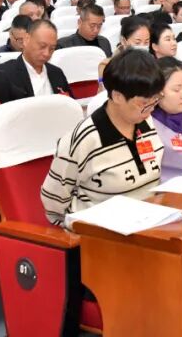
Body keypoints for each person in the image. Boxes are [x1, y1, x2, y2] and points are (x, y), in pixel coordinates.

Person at [41, 49, 165, 226]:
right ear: (117, 96)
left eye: (156, 100)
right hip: (102, 232)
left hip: (149, 222)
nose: (151, 109)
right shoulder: (85, 139)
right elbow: (54, 202)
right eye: (144, 103)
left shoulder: (146, 121)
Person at [0, 19, 71, 102]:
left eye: (52, 48)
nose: (46, 53)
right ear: (26, 40)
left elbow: (70, 105)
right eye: (42, 46)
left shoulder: (57, 73)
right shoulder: (2, 74)